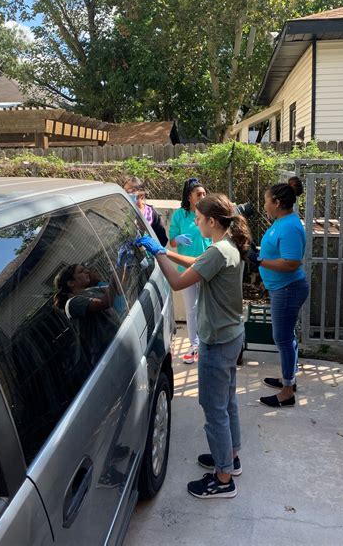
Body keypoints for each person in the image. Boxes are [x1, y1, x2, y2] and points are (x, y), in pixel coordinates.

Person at [136, 193, 251, 499]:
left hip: (217, 341)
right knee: (227, 401)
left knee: (214, 409)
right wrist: (166, 251)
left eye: (199, 219)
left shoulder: (219, 251)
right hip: (231, 335)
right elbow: (198, 264)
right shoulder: (226, 246)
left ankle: (223, 478)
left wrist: (158, 255)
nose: (196, 222)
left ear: (211, 221)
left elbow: (177, 282)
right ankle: (231, 457)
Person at [251, 177, 309, 408]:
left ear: (276, 202)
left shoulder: (291, 227)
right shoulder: (282, 221)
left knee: (282, 339)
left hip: (288, 289)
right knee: (287, 338)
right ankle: (289, 379)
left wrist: (260, 261)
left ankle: (287, 392)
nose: (264, 205)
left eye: (266, 201)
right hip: (282, 289)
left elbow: (291, 263)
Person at [169, 177, 211, 363]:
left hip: (207, 265)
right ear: (189, 197)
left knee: (208, 306)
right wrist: (178, 238)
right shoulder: (179, 215)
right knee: (191, 308)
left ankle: (206, 343)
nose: (202, 196)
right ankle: (194, 345)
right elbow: (171, 242)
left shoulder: (209, 213)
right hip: (187, 268)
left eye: (204, 193)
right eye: (198, 194)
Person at [53, 263, 125, 365]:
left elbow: (118, 288)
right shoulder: (72, 303)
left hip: (118, 342)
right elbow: (105, 303)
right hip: (106, 354)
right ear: (71, 283)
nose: (87, 271)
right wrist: (114, 276)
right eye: (81, 271)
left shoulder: (91, 291)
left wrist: (124, 265)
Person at [123, 176, 168, 247]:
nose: (126, 194)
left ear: (141, 194)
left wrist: (151, 247)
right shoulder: (124, 212)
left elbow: (162, 241)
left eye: (129, 191)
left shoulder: (153, 215)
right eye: (124, 191)